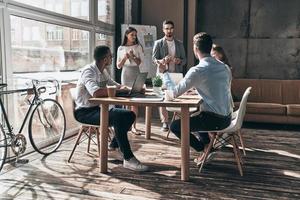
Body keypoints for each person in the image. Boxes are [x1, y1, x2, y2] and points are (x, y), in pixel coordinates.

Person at [158, 32, 233, 165]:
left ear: (195, 49)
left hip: (215, 121)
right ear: (210, 48)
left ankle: (205, 148)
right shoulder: (225, 67)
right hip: (227, 118)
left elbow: (174, 93)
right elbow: (218, 89)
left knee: (175, 126)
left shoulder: (197, 70)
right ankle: (207, 146)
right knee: (195, 115)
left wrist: (164, 73)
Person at [74, 45, 149, 172]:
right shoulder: (89, 71)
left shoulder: (103, 70)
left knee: (130, 115)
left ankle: (113, 148)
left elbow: (114, 85)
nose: (112, 58)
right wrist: (118, 89)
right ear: (105, 59)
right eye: (111, 56)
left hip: (97, 109)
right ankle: (128, 158)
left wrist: (130, 89)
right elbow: (96, 93)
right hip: (84, 112)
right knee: (120, 116)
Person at [152, 20, 187, 132]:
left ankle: (176, 121)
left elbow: (185, 60)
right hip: (162, 74)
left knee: (178, 97)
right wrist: (162, 60)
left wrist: (178, 61)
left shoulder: (179, 43)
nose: (169, 30)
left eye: (171, 28)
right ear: (163, 30)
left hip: (176, 74)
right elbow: (154, 60)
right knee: (162, 98)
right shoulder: (158, 43)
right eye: (166, 28)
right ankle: (165, 122)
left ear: (173, 29)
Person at [117, 27, 144, 135]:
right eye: (132, 34)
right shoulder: (120, 48)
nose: (134, 37)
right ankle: (126, 125)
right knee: (126, 100)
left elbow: (138, 63)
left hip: (135, 72)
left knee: (135, 101)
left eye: (135, 35)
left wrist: (132, 56)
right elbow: (118, 66)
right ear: (126, 35)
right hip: (125, 73)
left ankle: (134, 126)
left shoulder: (138, 47)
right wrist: (124, 58)